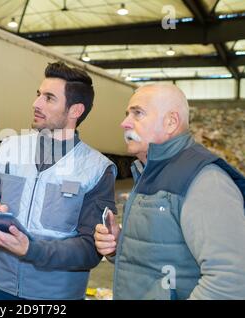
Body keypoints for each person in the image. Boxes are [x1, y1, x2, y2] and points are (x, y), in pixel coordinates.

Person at [0, 61, 117, 300]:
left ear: (75, 111)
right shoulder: (9, 148)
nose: (36, 104)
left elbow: (91, 249)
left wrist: (31, 249)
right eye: (38, 95)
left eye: (49, 98)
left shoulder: (97, 169)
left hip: (56, 295)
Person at [95, 83, 245, 300]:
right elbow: (162, 256)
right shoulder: (148, 172)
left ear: (171, 122)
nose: (124, 123)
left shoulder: (205, 180)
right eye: (127, 114)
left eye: (138, 113)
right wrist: (120, 246)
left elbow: (230, 279)